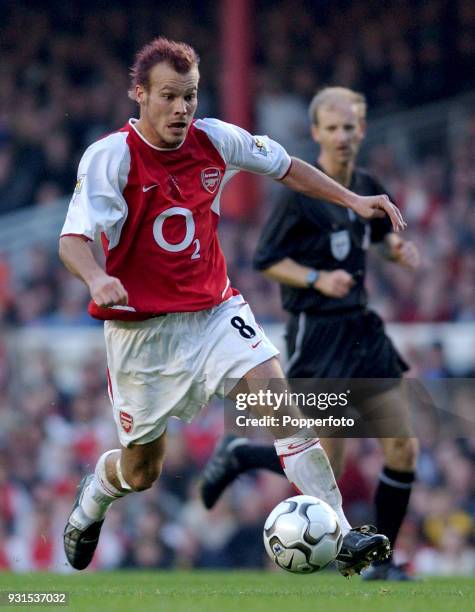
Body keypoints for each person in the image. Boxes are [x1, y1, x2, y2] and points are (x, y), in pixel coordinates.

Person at [59, 40, 404, 574]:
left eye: (190, 96)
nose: (182, 109)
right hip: (141, 336)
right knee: (143, 470)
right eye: (170, 97)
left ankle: (338, 532)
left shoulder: (216, 140)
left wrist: (353, 200)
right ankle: (94, 499)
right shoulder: (111, 157)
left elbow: (287, 167)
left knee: (280, 403)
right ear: (140, 94)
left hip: (215, 311)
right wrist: (97, 276)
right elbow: (73, 239)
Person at [200, 87, 420, 580]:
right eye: (333, 128)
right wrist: (319, 279)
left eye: (350, 127)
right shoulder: (298, 198)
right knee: (327, 454)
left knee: (403, 446)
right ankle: (241, 453)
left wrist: (396, 251)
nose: (342, 136)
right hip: (317, 334)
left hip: (363, 329)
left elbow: (376, 240)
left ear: (361, 131)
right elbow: (266, 261)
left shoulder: (365, 184)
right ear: (316, 132)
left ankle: (382, 564)